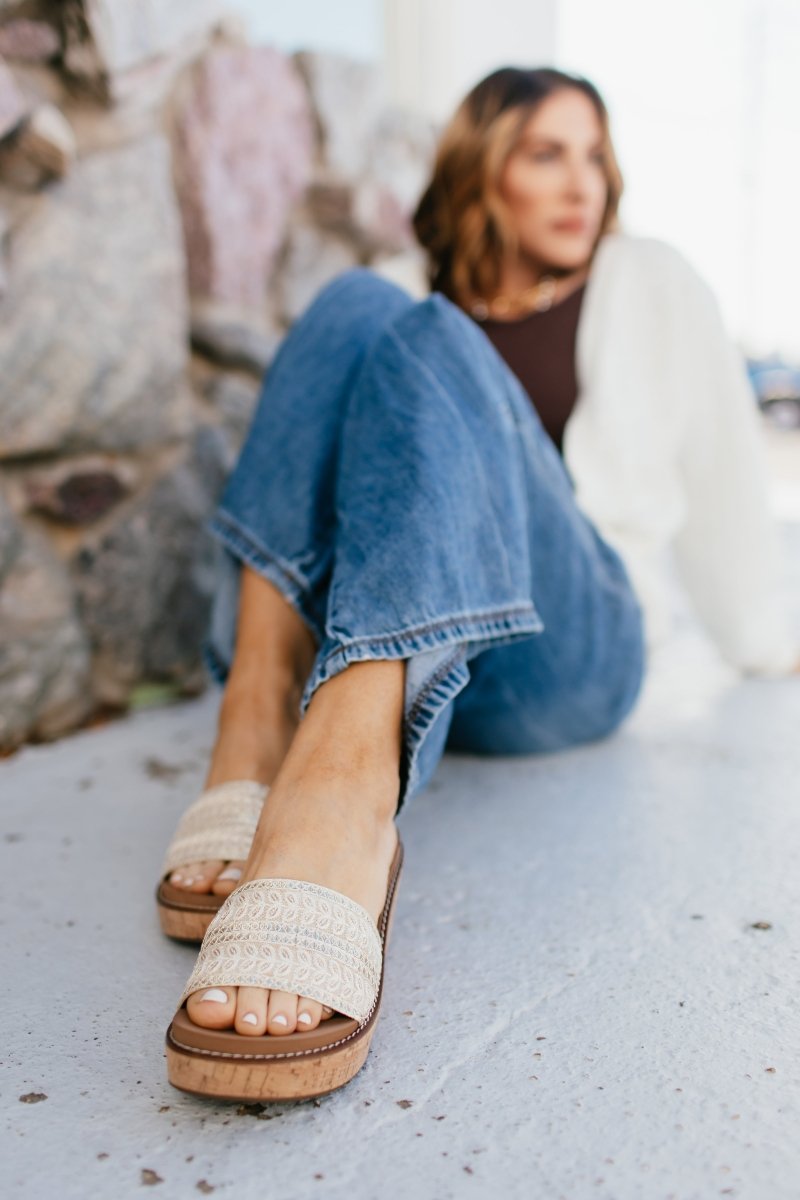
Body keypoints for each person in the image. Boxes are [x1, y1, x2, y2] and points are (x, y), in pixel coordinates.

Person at [159, 66, 799, 1102]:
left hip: (573, 645)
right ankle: (254, 715)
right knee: (355, 303)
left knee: (430, 335)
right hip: (427, 665)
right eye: (546, 154)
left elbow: (727, 475)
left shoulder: (650, 281)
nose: (582, 183)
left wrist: (767, 638)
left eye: (594, 156)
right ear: (481, 170)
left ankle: (339, 798)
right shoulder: (403, 286)